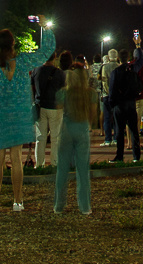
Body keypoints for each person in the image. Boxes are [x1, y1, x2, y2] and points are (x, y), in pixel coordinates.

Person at [0, 18, 55, 211]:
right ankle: (18, 200)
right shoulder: (23, 62)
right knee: (16, 158)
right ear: (13, 43)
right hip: (20, 116)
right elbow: (45, 53)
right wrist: (45, 27)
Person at [52, 52, 100, 215]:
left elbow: (59, 109)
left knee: (62, 170)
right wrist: (89, 126)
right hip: (82, 129)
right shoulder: (90, 93)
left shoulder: (64, 93)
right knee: (82, 171)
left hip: (66, 128)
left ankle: (59, 205)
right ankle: (85, 206)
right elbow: (93, 114)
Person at [109, 50, 143, 161]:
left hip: (119, 104)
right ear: (128, 57)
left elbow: (112, 90)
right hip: (131, 103)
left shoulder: (116, 72)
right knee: (134, 130)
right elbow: (141, 61)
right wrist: (138, 46)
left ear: (119, 58)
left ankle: (120, 155)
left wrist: (112, 105)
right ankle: (136, 155)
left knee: (119, 131)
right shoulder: (132, 69)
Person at [34, 51, 64, 169]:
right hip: (55, 107)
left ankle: (39, 164)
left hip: (40, 106)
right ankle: (54, 163)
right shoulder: (60, 73)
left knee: (40, 137)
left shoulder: (36, 71)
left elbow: (32, 88)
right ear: (55, 57)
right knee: (55, 137)